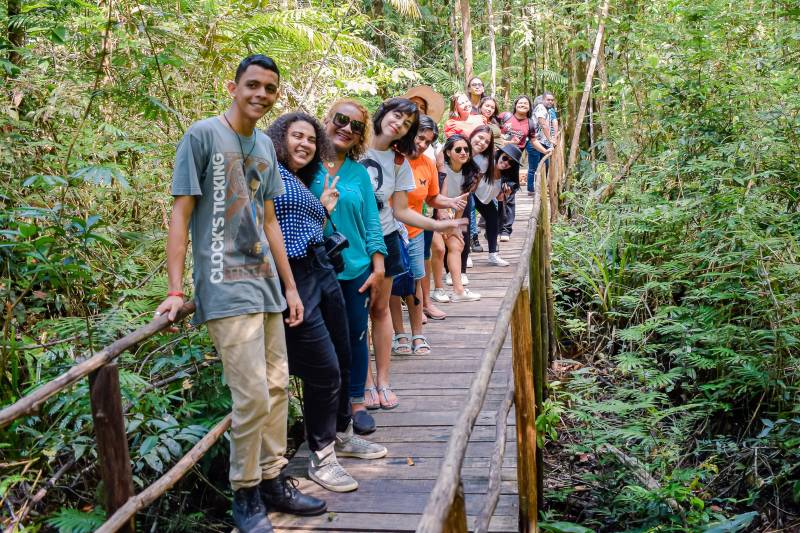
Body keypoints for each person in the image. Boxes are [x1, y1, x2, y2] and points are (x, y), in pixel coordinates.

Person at [155, 55, 324, 533]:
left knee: (276, 388)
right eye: (253, 85)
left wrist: (291, 288)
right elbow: (181, 213)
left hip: (267, 283)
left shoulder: (266, 149)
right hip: (224, 283)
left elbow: (270, 222)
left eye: (270, 88)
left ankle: (273, 479)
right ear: (233, 87)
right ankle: (245, 493)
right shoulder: (203, 135)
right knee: (250, 395)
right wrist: (174, 288)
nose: (261, 94)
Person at [267, 112, 388, 494]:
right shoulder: (267, 172)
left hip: (322, 268)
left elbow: (315, 222)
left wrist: (323, 208)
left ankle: (341, 434)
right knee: (324, 369)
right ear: (278, 138)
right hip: (297, 276)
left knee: (345, 355)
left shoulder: (300, 177)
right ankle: (322, 457)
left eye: (308, 138)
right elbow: (268, 230)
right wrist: (287, 286)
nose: (303, 144)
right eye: (295, 136)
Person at [360, 98, 467, 410]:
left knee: (379, 311)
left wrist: (438, 223)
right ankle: (364, 383)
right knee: (357, 319)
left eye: (407, 124)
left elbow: (402, 210)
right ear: (382, 114)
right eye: (397, 117)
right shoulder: (352, 150)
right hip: (356, 243)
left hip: (389, 238)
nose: (399, 125)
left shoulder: (398, 162)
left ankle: (382, 381)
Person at [312, 99, 385, 436]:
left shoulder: (358, 174)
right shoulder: (304, 165)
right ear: (326, 120)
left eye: (356, 126)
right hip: (313, 268)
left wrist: (379, 264)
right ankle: (328, 406)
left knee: (357, 335)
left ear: (359, 138)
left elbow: (372, 221)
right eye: (341, 119)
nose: (346, 128)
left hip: (355, 267)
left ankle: (357, 401)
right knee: (321, 341)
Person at [390, 115, 467, 354]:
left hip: (416, 232)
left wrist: (450, 202)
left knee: (415, 282)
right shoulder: (390, 159)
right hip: (390, 232)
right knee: (392, 286)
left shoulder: (427, 163)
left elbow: (432, 197)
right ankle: (399, 335)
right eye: (419, 138)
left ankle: (418, 335)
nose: (422, 144)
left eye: (428, 141)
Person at [498, 95, 550, 238]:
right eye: (520, 102)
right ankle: (493, 223)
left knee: (509, 192)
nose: (522, 105)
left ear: (529, 107)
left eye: (526, 103)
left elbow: (533, 141)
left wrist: (545, 151)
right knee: (494, 191)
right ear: (515, 105)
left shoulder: (530, 123)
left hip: (513, 160)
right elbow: (491, 129)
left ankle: (506, 229)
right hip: (497, 158)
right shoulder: (504, 116)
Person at [437, 134, 481, 302]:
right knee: (440, 247)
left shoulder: (472, 172)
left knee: (456, 243)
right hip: (437, 210)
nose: (463, 152)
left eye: (466, 149)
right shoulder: (441, 169)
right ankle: (438, 289)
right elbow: (439, 197)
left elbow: (463, 201)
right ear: (448, 152)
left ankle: (458, 291)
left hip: (454, 212)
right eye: (458, 149)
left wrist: (455, 225)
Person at [468, 125, 509, 267]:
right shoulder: (461, 149)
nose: (482, 143)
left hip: (476, 191)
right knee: (467, 217)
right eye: (480, 138)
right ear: (473, 134)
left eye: (486, 142)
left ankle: (493, 254)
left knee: (492, 216)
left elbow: (478, 179)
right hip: (460, 192)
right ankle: (465, 254)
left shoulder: (485, 159)